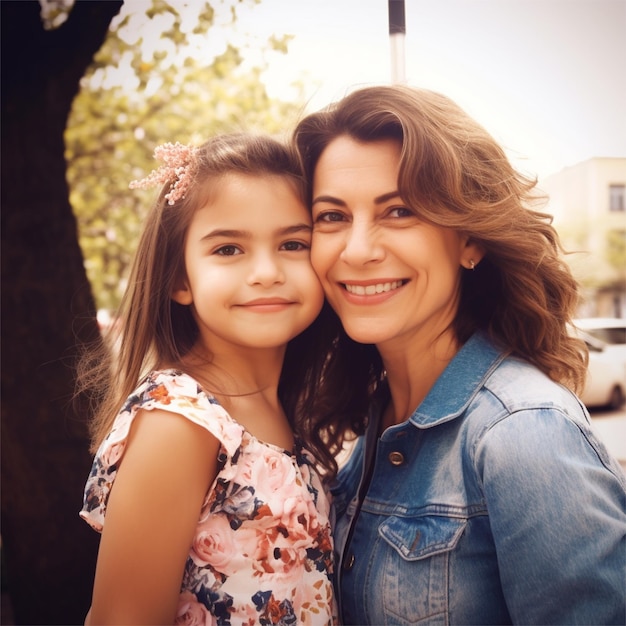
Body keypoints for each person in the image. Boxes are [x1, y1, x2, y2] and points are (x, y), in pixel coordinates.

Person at [293, 85, 626, 625]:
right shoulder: (374, 425)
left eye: (398, 211)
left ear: (470, 240)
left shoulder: (525, 434)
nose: (357, 249)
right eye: (331, 216)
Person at [77, 133, 338, 625]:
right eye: (228, 249)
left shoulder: (286, 405)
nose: (266, 271)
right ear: (180, 278)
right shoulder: (181, 423)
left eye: (292, 243)